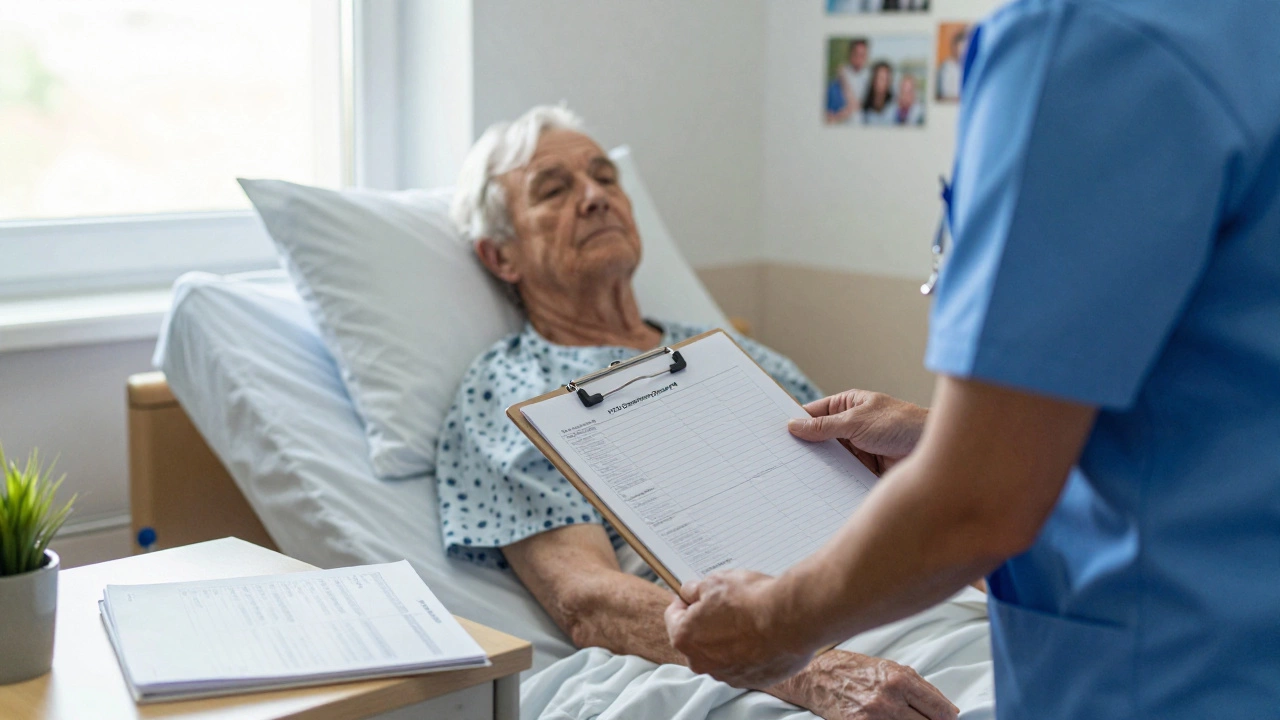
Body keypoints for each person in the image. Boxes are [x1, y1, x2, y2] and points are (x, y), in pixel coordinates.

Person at [665, 2, 1280, 718]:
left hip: (1171, 672)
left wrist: (770, 628)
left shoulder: (1086, 41)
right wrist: (936, 435)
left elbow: (975, 504)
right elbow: (1222, 385)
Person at [439, 105, 971, 720]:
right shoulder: (510, 388)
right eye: (554, 190)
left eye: (606, 177)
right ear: (501, 257)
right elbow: (586, 599)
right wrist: (803, 666)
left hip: (906, 601)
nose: (594, 197)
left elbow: (874, 498)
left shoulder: (728, 353)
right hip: (759, 646)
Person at [826, 39, 870, 124]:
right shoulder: (839, 76)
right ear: (850, 54)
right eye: (857, 54)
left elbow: (861, 104)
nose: (859, 58)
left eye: (863, 55)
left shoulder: (869, 76)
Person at [936, 27, 966, 101]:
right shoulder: (946, 67)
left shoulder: (968, 67)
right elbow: (945, 93)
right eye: (960, 48)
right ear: (954, 48)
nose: (962, 52)